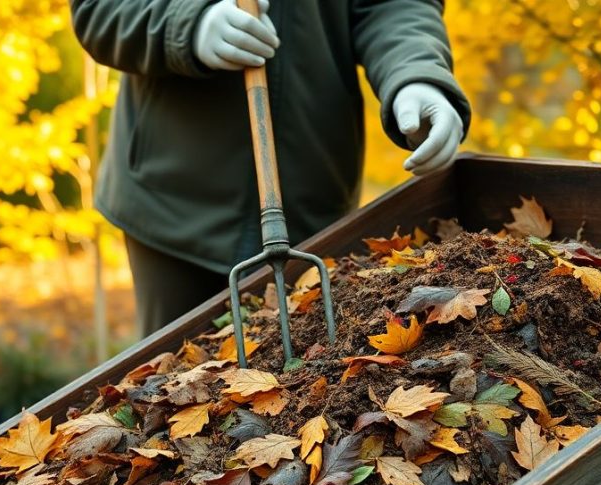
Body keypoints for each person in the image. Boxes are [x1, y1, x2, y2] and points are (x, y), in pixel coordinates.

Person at [70, 0, 471, 337]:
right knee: (169, 385)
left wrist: (415, 74)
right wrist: (186, 25)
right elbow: (98, 10)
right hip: (173, 202)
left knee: (312, 381)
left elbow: (392, 4)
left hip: (312, 203)